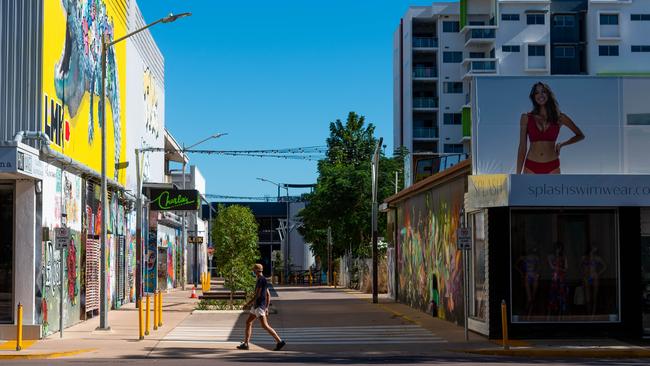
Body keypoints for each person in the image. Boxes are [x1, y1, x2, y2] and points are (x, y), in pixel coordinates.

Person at [517, 82, 585, 174]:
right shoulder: (526, 118)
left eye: (543, 92)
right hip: (531, 166)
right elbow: (522, 147)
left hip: (552, 166)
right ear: (533, 97)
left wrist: (561, 144)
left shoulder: (560, 118)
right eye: (537, 93)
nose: (540, 95)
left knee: (555, 189)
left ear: (548, 94)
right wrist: (517, 175)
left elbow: (580, 135)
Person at [237, 263, 286, 351]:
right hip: (257, 306)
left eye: (253, 269)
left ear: (256, 270)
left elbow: (258, 295)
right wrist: (266, 307)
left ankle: (280, 341)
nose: (253, 271)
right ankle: (246, 343)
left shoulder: (261, 280)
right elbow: (268, 294)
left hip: (259, 306)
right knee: (248, 322)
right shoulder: (261, 279)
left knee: (265, 326)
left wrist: (248, 304)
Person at [580, 245, 606, 315]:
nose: (596, 249)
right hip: (586, 277)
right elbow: (580, 267)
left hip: (594, 277)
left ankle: (593, 313)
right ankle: (589, 313)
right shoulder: (584, 257)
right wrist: (583, 275)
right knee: (587, 297)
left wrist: (598, 273)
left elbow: (604, 266)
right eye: (594, 247)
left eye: (596, 248)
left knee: (594, 296)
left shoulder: (597, 258)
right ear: (592, 248)